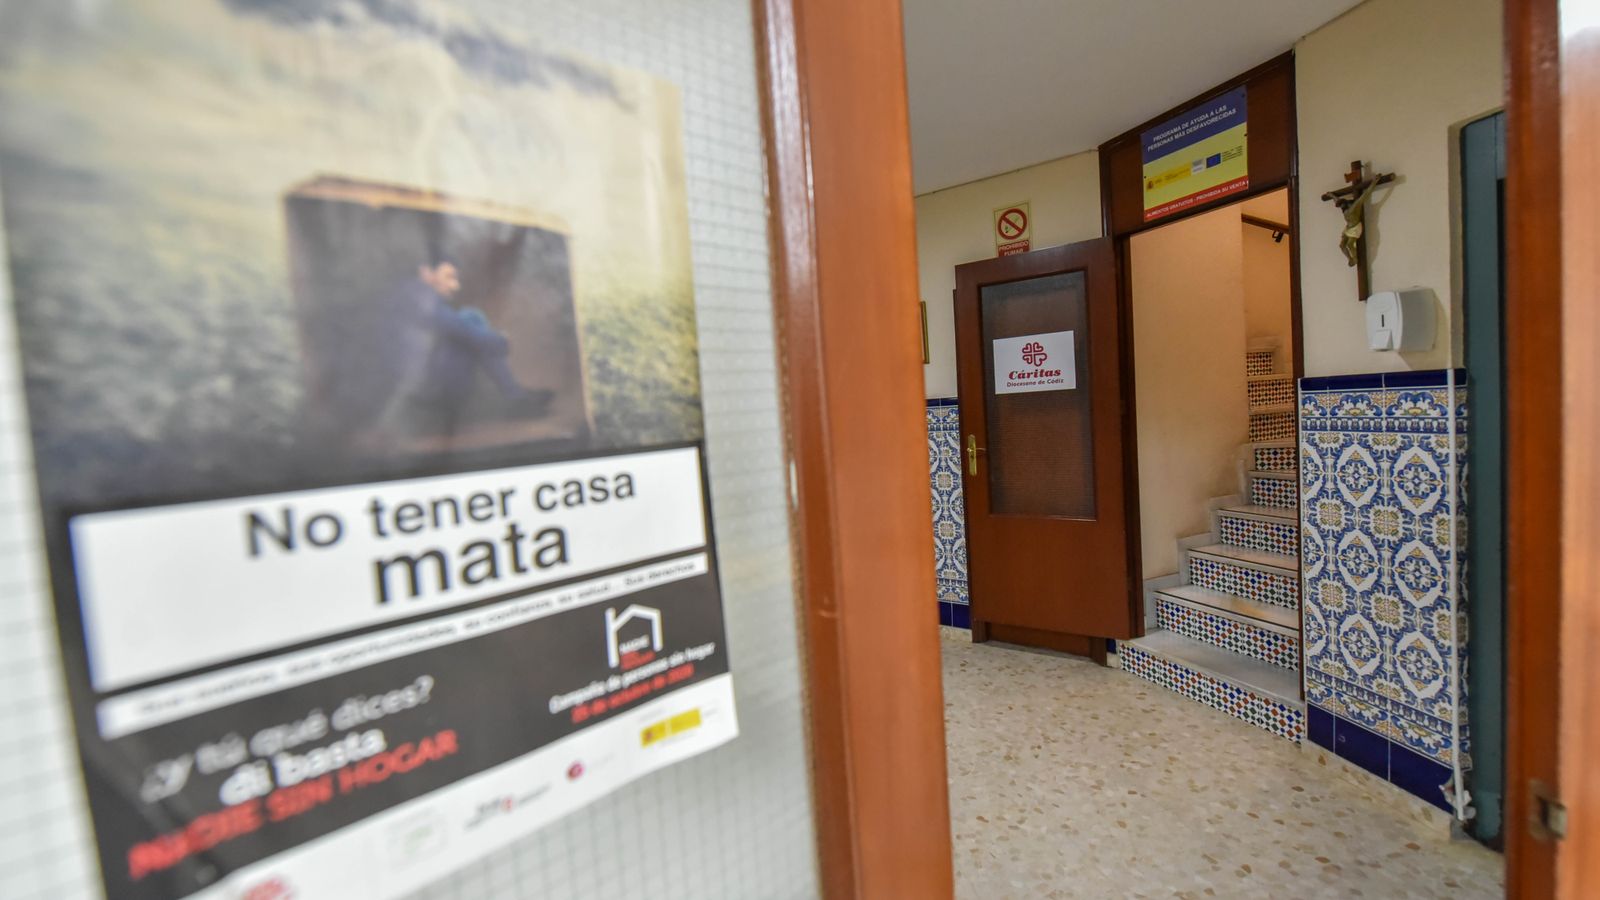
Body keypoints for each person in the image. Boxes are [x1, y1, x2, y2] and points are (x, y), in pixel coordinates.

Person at [383, 258, 552, 431]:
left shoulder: (412, 296)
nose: (455, 286)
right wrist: (502, 340)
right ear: (426, 273)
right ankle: (514, 396)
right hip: (425, 394)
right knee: (472, 320)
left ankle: (515, 395)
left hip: (422, 388)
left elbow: (458, 330)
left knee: (470, 320)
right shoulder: (422, 301)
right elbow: (469, 336)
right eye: (449, 277)